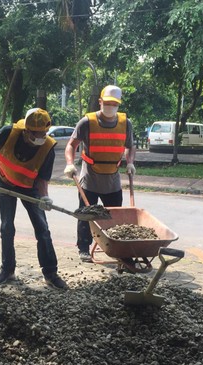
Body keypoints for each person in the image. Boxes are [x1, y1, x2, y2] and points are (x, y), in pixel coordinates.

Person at [0, 108, 68, 290]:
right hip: (5, 184)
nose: (41, 137)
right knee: (7, 227)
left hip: (30, 189)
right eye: (36, 134)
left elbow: (42, 179)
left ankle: (50, 274)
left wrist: (44, 197)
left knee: (42, 229)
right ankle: (7, 270)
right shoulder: (8, 133)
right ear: (26, 130)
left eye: (43, 133)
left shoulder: (47, 147)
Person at [63, 85, 136, 262]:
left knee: (115, 216)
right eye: (108, 102)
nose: (111, 106)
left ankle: (119, 248)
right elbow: (71, 145)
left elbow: (131, 146)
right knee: (87, 214)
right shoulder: (87, 122)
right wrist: (70, 164)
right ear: (100, 101)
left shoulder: (125, 123)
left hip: (112, 178)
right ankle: (83, 248)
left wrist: (131, 162)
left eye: (114, 103)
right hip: (90, 178)